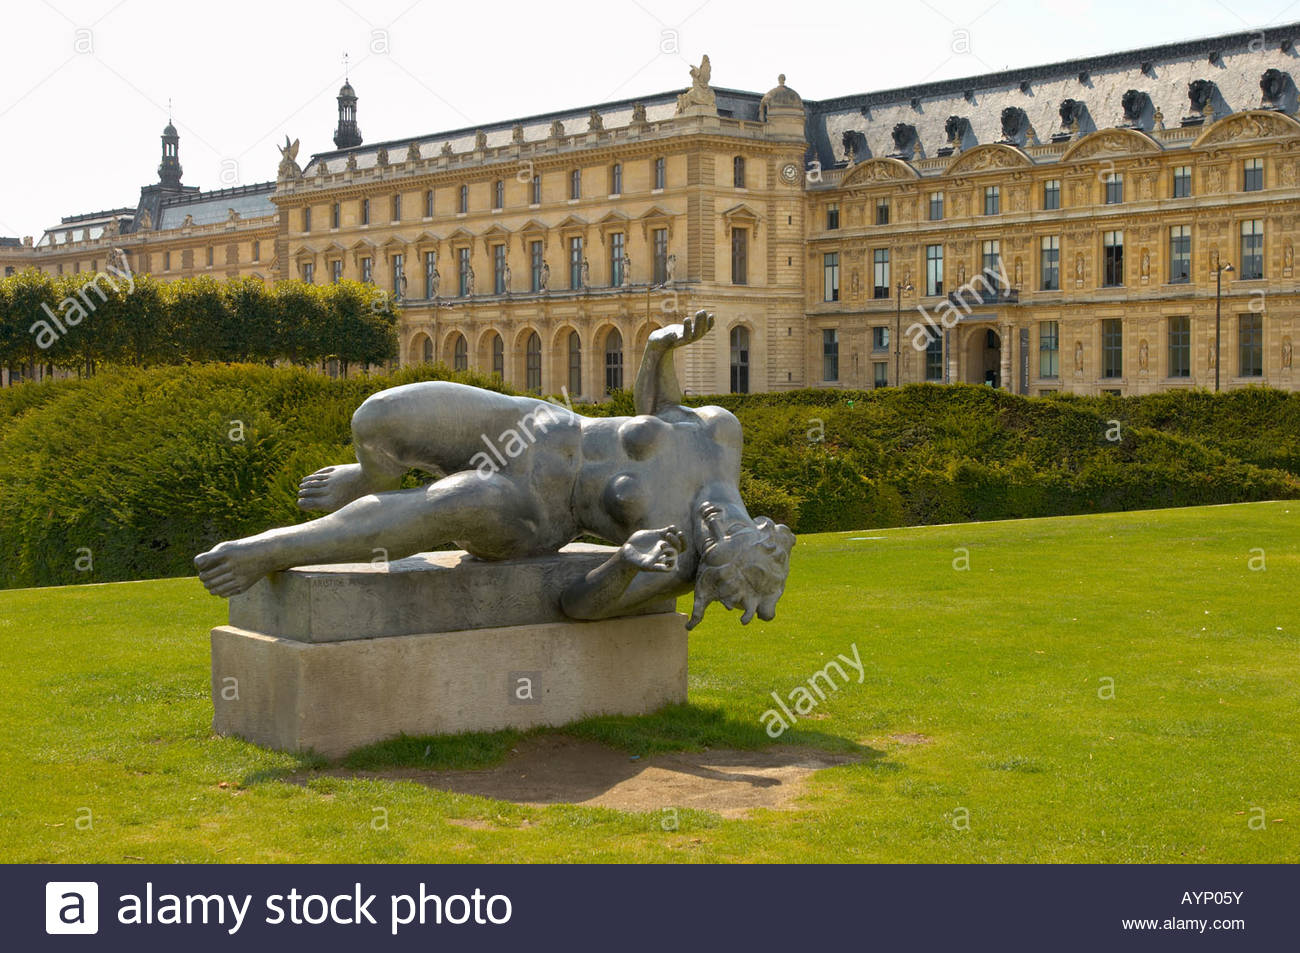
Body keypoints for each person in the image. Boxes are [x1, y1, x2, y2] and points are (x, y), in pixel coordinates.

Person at [196, 311, 793, 629]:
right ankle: (368, 477)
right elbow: (660, 410)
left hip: (535, 512)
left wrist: (619, 564)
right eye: (733, 533)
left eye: (715, 550)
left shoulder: (671, 561)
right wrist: (657, 352)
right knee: (379, 416)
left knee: (452, 503)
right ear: (758, 527)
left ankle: (267, 550)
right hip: (539, 426)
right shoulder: (721, 435)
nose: (713, 528)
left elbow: (580, 607)